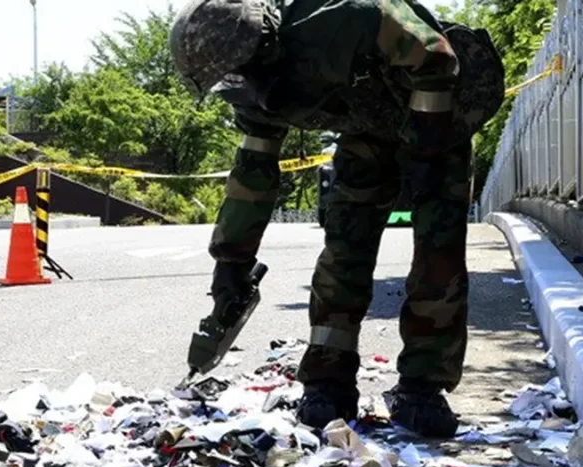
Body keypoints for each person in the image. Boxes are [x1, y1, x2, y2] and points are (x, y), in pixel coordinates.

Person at [171, 0, 505, 438]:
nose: (239, 88)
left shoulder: (348, 16)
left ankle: (423, 388)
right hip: (367, 128)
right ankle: (328, 381)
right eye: (228, 80)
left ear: (264, 47)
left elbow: (436, 56)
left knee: (437, 250)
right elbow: (254, 174)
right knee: (345, 246)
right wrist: (231, 263)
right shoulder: (251, 89)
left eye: (240, 72)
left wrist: (428, 148)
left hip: (439, 110)